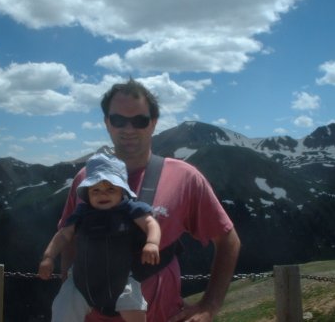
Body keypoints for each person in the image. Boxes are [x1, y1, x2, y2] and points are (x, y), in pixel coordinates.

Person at [55, 78, 241, 322]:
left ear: (153, 124)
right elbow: (69, 238)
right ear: (107, 124)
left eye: (140, 121)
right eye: (118, 120)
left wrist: (209, 306)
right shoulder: (85, 179)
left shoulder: (185, 178)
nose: (128, 128)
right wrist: (72, 285)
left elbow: (228, 240)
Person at [39, 153, 161, 322]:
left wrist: (152, 243)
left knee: (134, 306)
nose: (103, 194)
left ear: (122, 191)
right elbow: (63, 234)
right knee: (63, 308)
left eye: (110, 189)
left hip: (122, 278)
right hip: (80, 280)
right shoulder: (81, 212)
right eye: (95, 190)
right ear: (87, 193)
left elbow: (150, 223)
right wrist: (48, 257)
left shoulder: (130, 209)